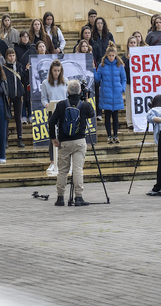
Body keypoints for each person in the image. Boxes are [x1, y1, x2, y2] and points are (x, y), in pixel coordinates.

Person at [49, 79, 95, 207]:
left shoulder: (62, 105)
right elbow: (91, 114)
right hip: (80, 141)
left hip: (64, 142)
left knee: (62, 170)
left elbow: (52, 122)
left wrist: (53, 138)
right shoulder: (84, 105)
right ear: (80, 91)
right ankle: (79, 197)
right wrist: (86, 99)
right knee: (78, 169)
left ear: (67, 91)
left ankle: (60, 198)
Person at [94, 44, 126, 143]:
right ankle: (109, 136)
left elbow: (124, 78)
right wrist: (93, 70)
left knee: (115, 116)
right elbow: (97, 78)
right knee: (107, 116)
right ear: (106, 55)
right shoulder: (102, 65)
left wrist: (122, 88)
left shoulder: (119, 65)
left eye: (113, 55)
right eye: (109, 55)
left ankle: (116, 135)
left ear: (116, 55)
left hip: (116, 93)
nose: (111, 57)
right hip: (106, 94)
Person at [41, 59, 68, 175]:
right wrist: (46, 104)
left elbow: (67, 95)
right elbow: (43, 98)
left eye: (58, 70)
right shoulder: (45, 83)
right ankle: (53, 161)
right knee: (53, 136)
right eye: (55, 71)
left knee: (64, 136)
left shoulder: (65, 81)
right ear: (51, 71)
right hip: (52, 111)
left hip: (64, 112)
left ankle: (63, 161)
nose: (57, 73)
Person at [3, 49, 26, 148]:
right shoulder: (4, 68)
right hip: (8, 95)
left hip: (18, 95)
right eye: (10, 56)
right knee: (7, 117)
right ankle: (5, 140)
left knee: (18, 117)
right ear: (6, 57)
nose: (12, 58)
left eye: (13, 55)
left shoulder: (20, 66)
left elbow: (23, 78)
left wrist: (26, 71)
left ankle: (20, 138)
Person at [122, 36, 138, 128]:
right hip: (129, 82)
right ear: (128, 44)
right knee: (129, 103)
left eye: (134, 43)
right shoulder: (124, 56)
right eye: (131, 42)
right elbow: (124, 69)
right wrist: (128, 60)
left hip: (139, 83)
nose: (132, 44)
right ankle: (130, 122)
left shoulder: (140, 54)